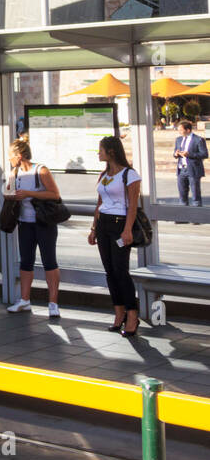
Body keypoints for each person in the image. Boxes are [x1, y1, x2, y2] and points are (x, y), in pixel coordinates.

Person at [88, 135, 142, 338]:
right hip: (103, 224)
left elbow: (133, 207)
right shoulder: (104, 174)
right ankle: (118, 313)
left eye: (100, 149)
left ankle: (132, 315)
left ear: (111, 151)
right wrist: (94, 228)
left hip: (120, 224)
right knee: (109, 271)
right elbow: (99, 203)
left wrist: (127, 230)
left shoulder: (130, 174)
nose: (98, 153)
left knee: (121, 270)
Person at [3, 139, 62, 317]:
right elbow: (8, 192)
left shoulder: (40, 170)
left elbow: (55, 194)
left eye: (10, 157)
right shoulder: (14, 172)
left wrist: (29, 193)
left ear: (19, 156)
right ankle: (24, 300)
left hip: (44, 223)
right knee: (25, 261)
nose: (9, 160)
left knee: (49, 261)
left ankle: (53, 303)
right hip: (25, 222)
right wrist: (9, 192)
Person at [174, 119, 206, 208]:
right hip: (181, 170)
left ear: (188, 130)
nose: (179, 132)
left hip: (193, 169)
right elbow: (175, 152)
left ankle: (196, 216)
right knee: (182, 194)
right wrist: (176, 154)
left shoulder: (198, 140)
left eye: (181, 130)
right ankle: (183, 215)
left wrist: (189, 155)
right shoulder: (178, 139)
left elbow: (204, 154)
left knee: (195, 194)